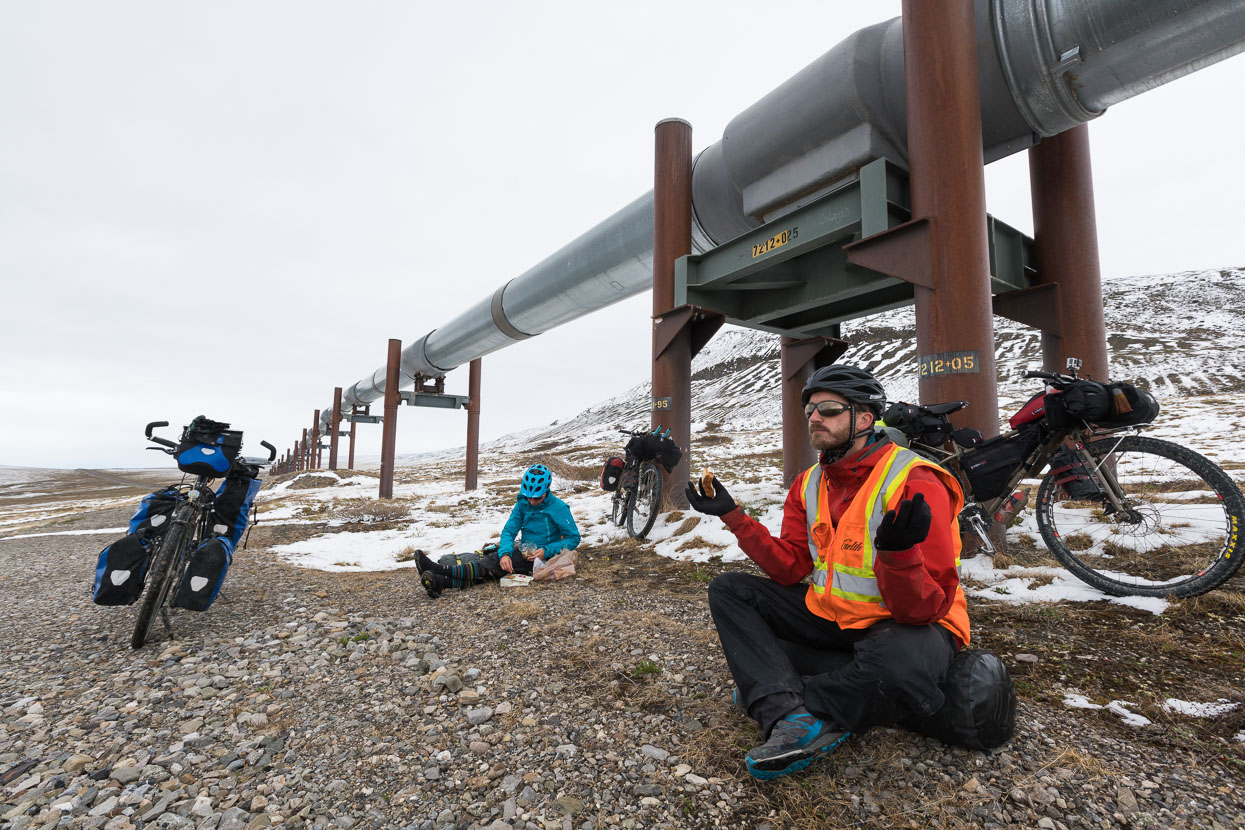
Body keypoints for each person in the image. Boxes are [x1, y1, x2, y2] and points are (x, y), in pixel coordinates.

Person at [684, 364, 969, 780]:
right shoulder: (809, 483)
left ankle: (786, 697)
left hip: (910, 625)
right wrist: (732, 515)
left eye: (830, 409)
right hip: (835, 615)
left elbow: (923, 609)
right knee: (730, 590)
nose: (815, 418)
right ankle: (791, 716)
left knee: (898, 662)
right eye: (811, 410)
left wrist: (898, 555)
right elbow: (789, 568)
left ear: (865, 419)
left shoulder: (916, 480)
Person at [416, 464, 581, 598]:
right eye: (528, 496)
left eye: (536, 498)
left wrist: (546, 551)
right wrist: (505, 553)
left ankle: (438, 571)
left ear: (546, 491)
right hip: (524, 552)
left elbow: (573, 538)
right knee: (493, 569)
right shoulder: (522, 504)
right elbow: (509, 531)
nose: (531, 501)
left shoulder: (558, 508)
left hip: (544, 560)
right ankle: (441, 583)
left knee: (491, 563)